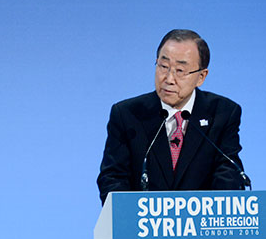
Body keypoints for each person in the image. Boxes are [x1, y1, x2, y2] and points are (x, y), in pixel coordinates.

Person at [97, 29, 245, 204]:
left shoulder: (223, 113)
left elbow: (228, 173)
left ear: (201, 77)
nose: (168, 78)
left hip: (200, 225)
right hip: (143, 226)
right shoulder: (127, 114)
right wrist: (128, 216)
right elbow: (113, 178)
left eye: (180, 70)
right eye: (163, 66)